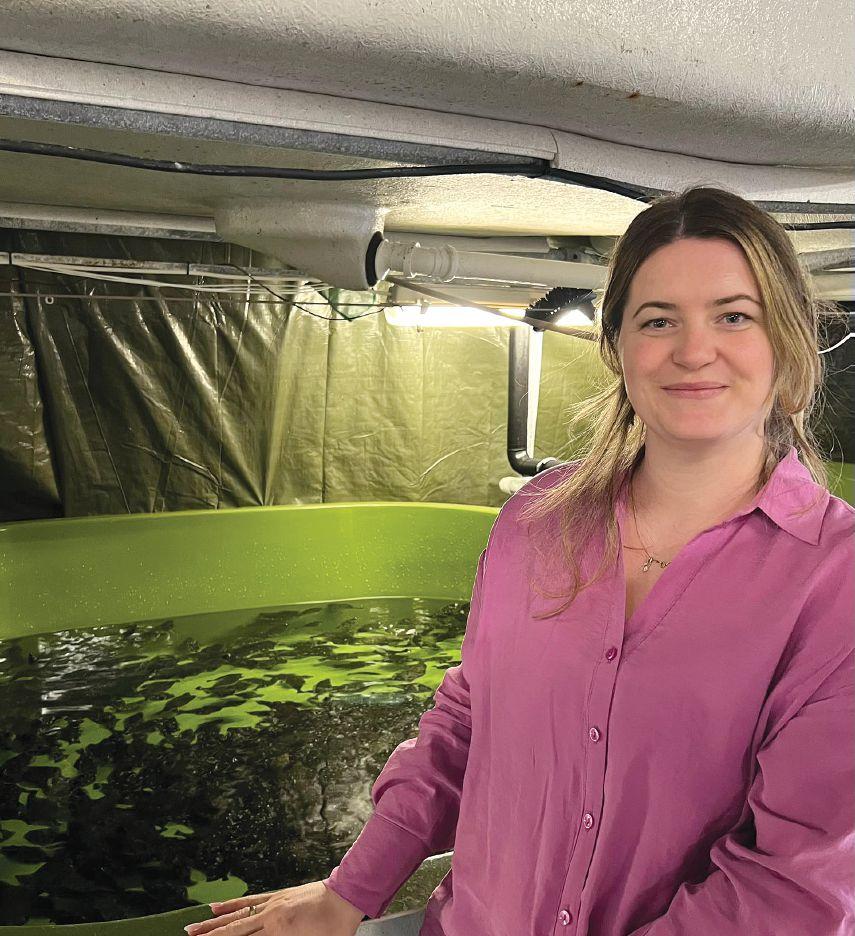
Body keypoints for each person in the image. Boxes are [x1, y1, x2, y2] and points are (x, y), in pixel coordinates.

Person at [183, 186, 855, 936]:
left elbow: (791, 883)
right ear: (616, 347)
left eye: (734, 316)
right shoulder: (537, 521)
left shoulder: (836, 582)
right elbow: (467, 720)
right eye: (658, 320)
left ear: (786, 338)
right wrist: (349, 891)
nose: (693, 351)